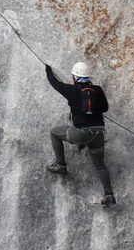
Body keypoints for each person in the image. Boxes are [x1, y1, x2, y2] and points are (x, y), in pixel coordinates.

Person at [46, 59, 115, 206]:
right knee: (100, 165)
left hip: (82, 133)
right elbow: (105, 108)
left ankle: (61, 165)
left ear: (74, 77)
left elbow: (56, 84)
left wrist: (48, 71)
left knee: (54, 132)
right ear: (89, 77)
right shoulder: (98, 90)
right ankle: (109, 195)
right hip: (99, 134)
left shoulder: (72, 90)